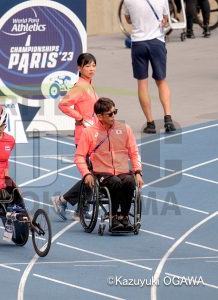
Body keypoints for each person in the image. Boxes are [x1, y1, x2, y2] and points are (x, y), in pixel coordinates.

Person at [74, 97, 144, 231]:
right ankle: (113, 218)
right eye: (110, 114)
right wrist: (86, 174)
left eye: (115, 112)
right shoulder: (89, 132)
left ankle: (123, 217)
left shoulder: (125, 129)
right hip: (102, 173)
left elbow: (134, 153)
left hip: (122, 171)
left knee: (130, 181)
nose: (114, 116)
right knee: (115, 182)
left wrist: (138, 172)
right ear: (99, 116)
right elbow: (79, 157)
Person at [52, 53, 99, 221]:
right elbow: (63, 104)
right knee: (91, 174)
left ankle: (81, 209)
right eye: (87, 66)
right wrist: (80, 117)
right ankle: (63, 200)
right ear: (79, 68)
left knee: (93, 173)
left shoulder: (88, 85)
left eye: (93, 65)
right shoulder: (80, 86)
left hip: (92, 135)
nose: (91, 69)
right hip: (83, 137)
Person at [124, 0, 177, 134]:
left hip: (138, 44)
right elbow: (165, 18)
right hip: (156, 43)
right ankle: (168, 119)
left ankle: (150, 123)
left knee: (142, 83)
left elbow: (128, 19)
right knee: (161, 81)